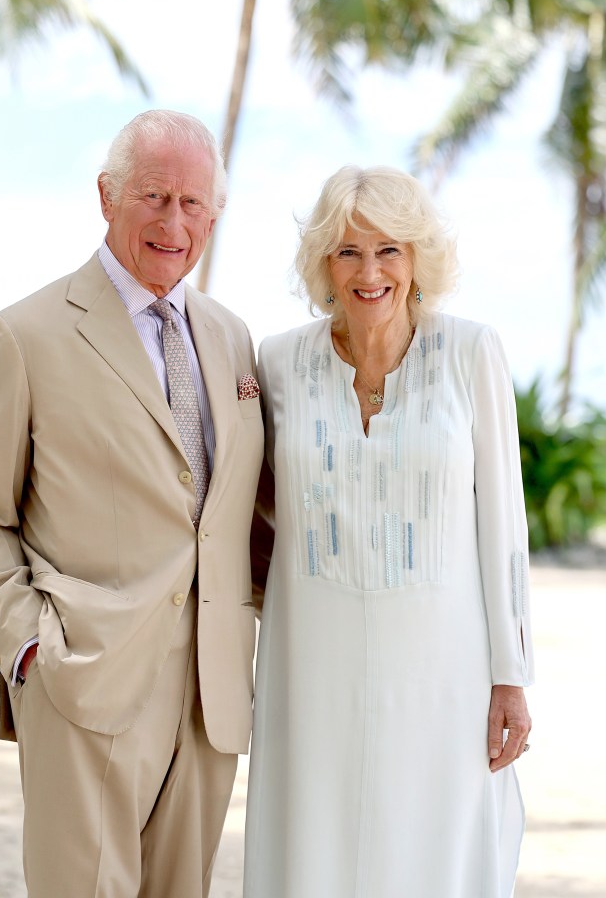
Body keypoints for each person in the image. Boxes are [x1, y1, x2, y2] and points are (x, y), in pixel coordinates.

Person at [0, 109, 268, 898]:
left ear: (215, 216)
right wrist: (26, 648)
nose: (174, 221)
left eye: (194, 204)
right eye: (154, 196)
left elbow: (244, 514)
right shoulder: (25, 335)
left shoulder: (232, 338)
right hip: (83, 679)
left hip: (211, 692)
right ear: (106, 196)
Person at [243, 165, 534, 898]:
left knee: (435, 848)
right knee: (313, 843)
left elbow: (504, 524)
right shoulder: (278, 362)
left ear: (417, 260)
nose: (369, 272)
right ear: (323, 266)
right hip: (310, 661)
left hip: (445, 667)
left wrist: (512, 675)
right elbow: (246, 508)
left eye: (389, 251)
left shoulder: (471, 353)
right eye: (347, 252)